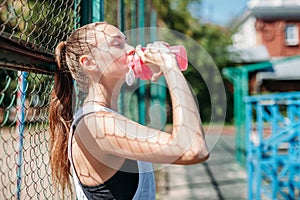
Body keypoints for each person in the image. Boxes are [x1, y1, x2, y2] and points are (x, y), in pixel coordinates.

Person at [49, 22, 209, 200]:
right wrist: (171, 67)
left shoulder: (105, 117)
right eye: (117, 44)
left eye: (127, 42)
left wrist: (168, 69)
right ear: (89, 62)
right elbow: (194, 150)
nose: (132, 49)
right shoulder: (97, 124)